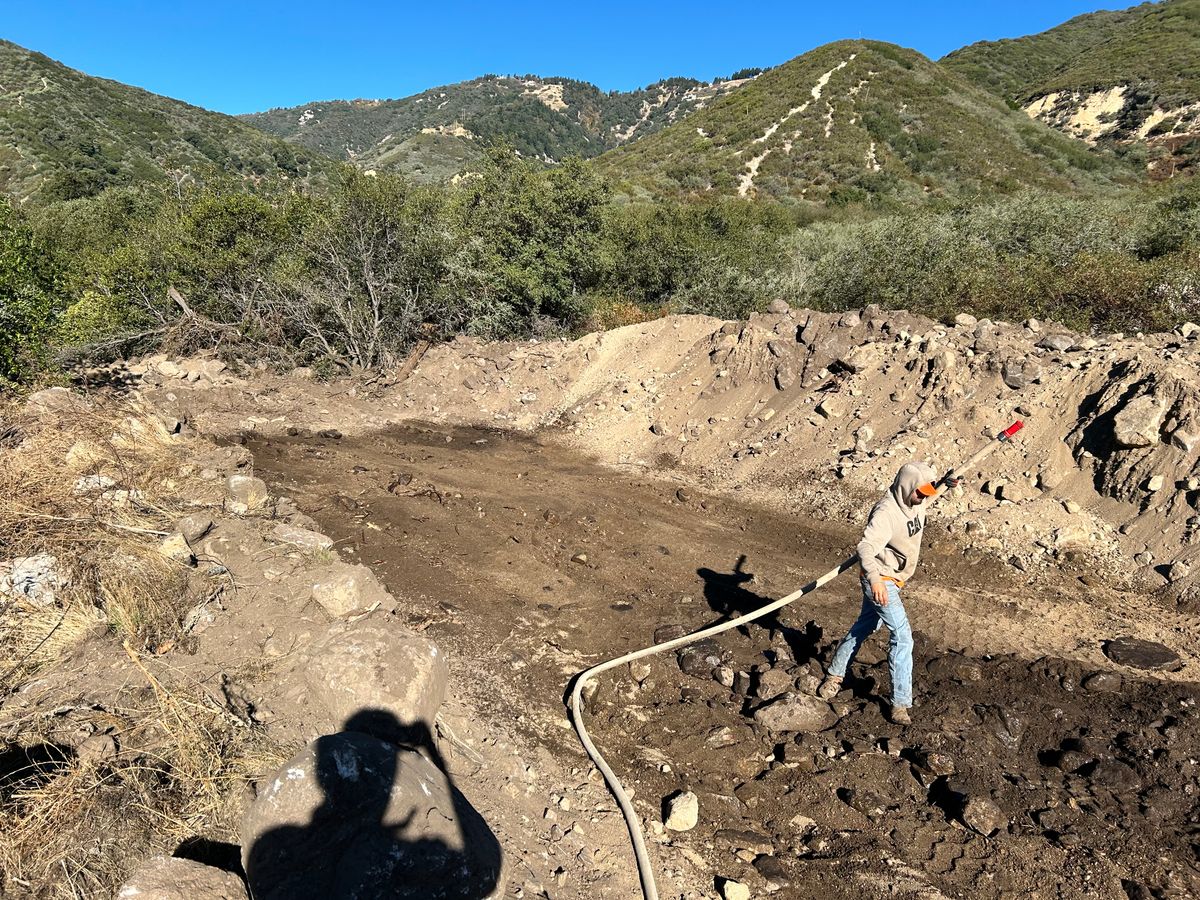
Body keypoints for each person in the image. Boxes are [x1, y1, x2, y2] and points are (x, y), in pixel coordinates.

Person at [817, 462, 957, 725]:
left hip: (894, 577)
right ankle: (900, 703)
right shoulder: (886, 513)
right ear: (906, 487)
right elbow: (865, 547)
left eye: (926, 492)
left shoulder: (916, 500)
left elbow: (927, 497)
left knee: (865, 626)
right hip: (880, 580)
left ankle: (834, 675)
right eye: (919, 492)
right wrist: (875, 581)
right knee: (903, 637)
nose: (922, 497)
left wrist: (942, 486)